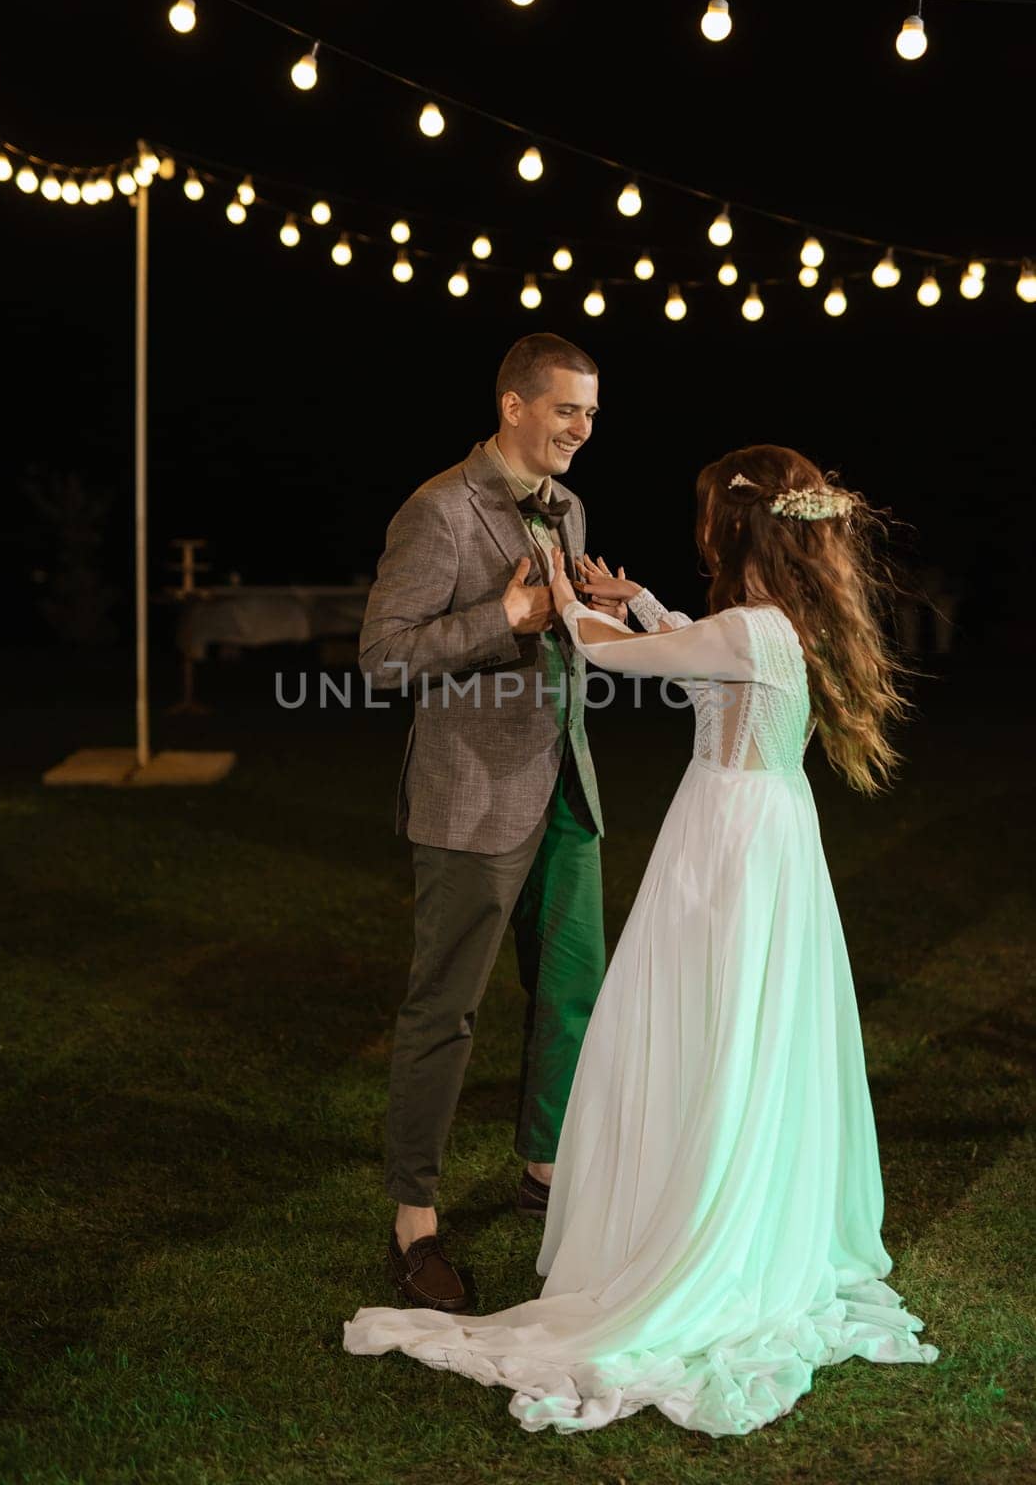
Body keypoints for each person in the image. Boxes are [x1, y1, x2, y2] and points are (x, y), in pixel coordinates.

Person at [343, 444, 940, 1436]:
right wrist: (645, 599)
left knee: (705, 1007)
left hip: (729, 841)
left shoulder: (750, 628)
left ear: (735, 528)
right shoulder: (769, 627)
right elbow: (700, 655)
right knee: (733, 1019)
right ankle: (708, 1178)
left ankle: (700, 1213)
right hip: (761, 831)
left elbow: (624, 656)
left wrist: (556, 609)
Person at [356, 333, 626, 1313]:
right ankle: (414, 1222)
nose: (583, 429)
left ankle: (547, 1171)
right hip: (472, 798)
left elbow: (559, 636)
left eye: (592, 413)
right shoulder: (438, 510)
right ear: (513, 406)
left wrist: (597, 612)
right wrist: (497, 623)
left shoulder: (568, 507)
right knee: (447, 1010)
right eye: (567, 410)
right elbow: (382, 657)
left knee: (571, 996)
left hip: (566, 789)